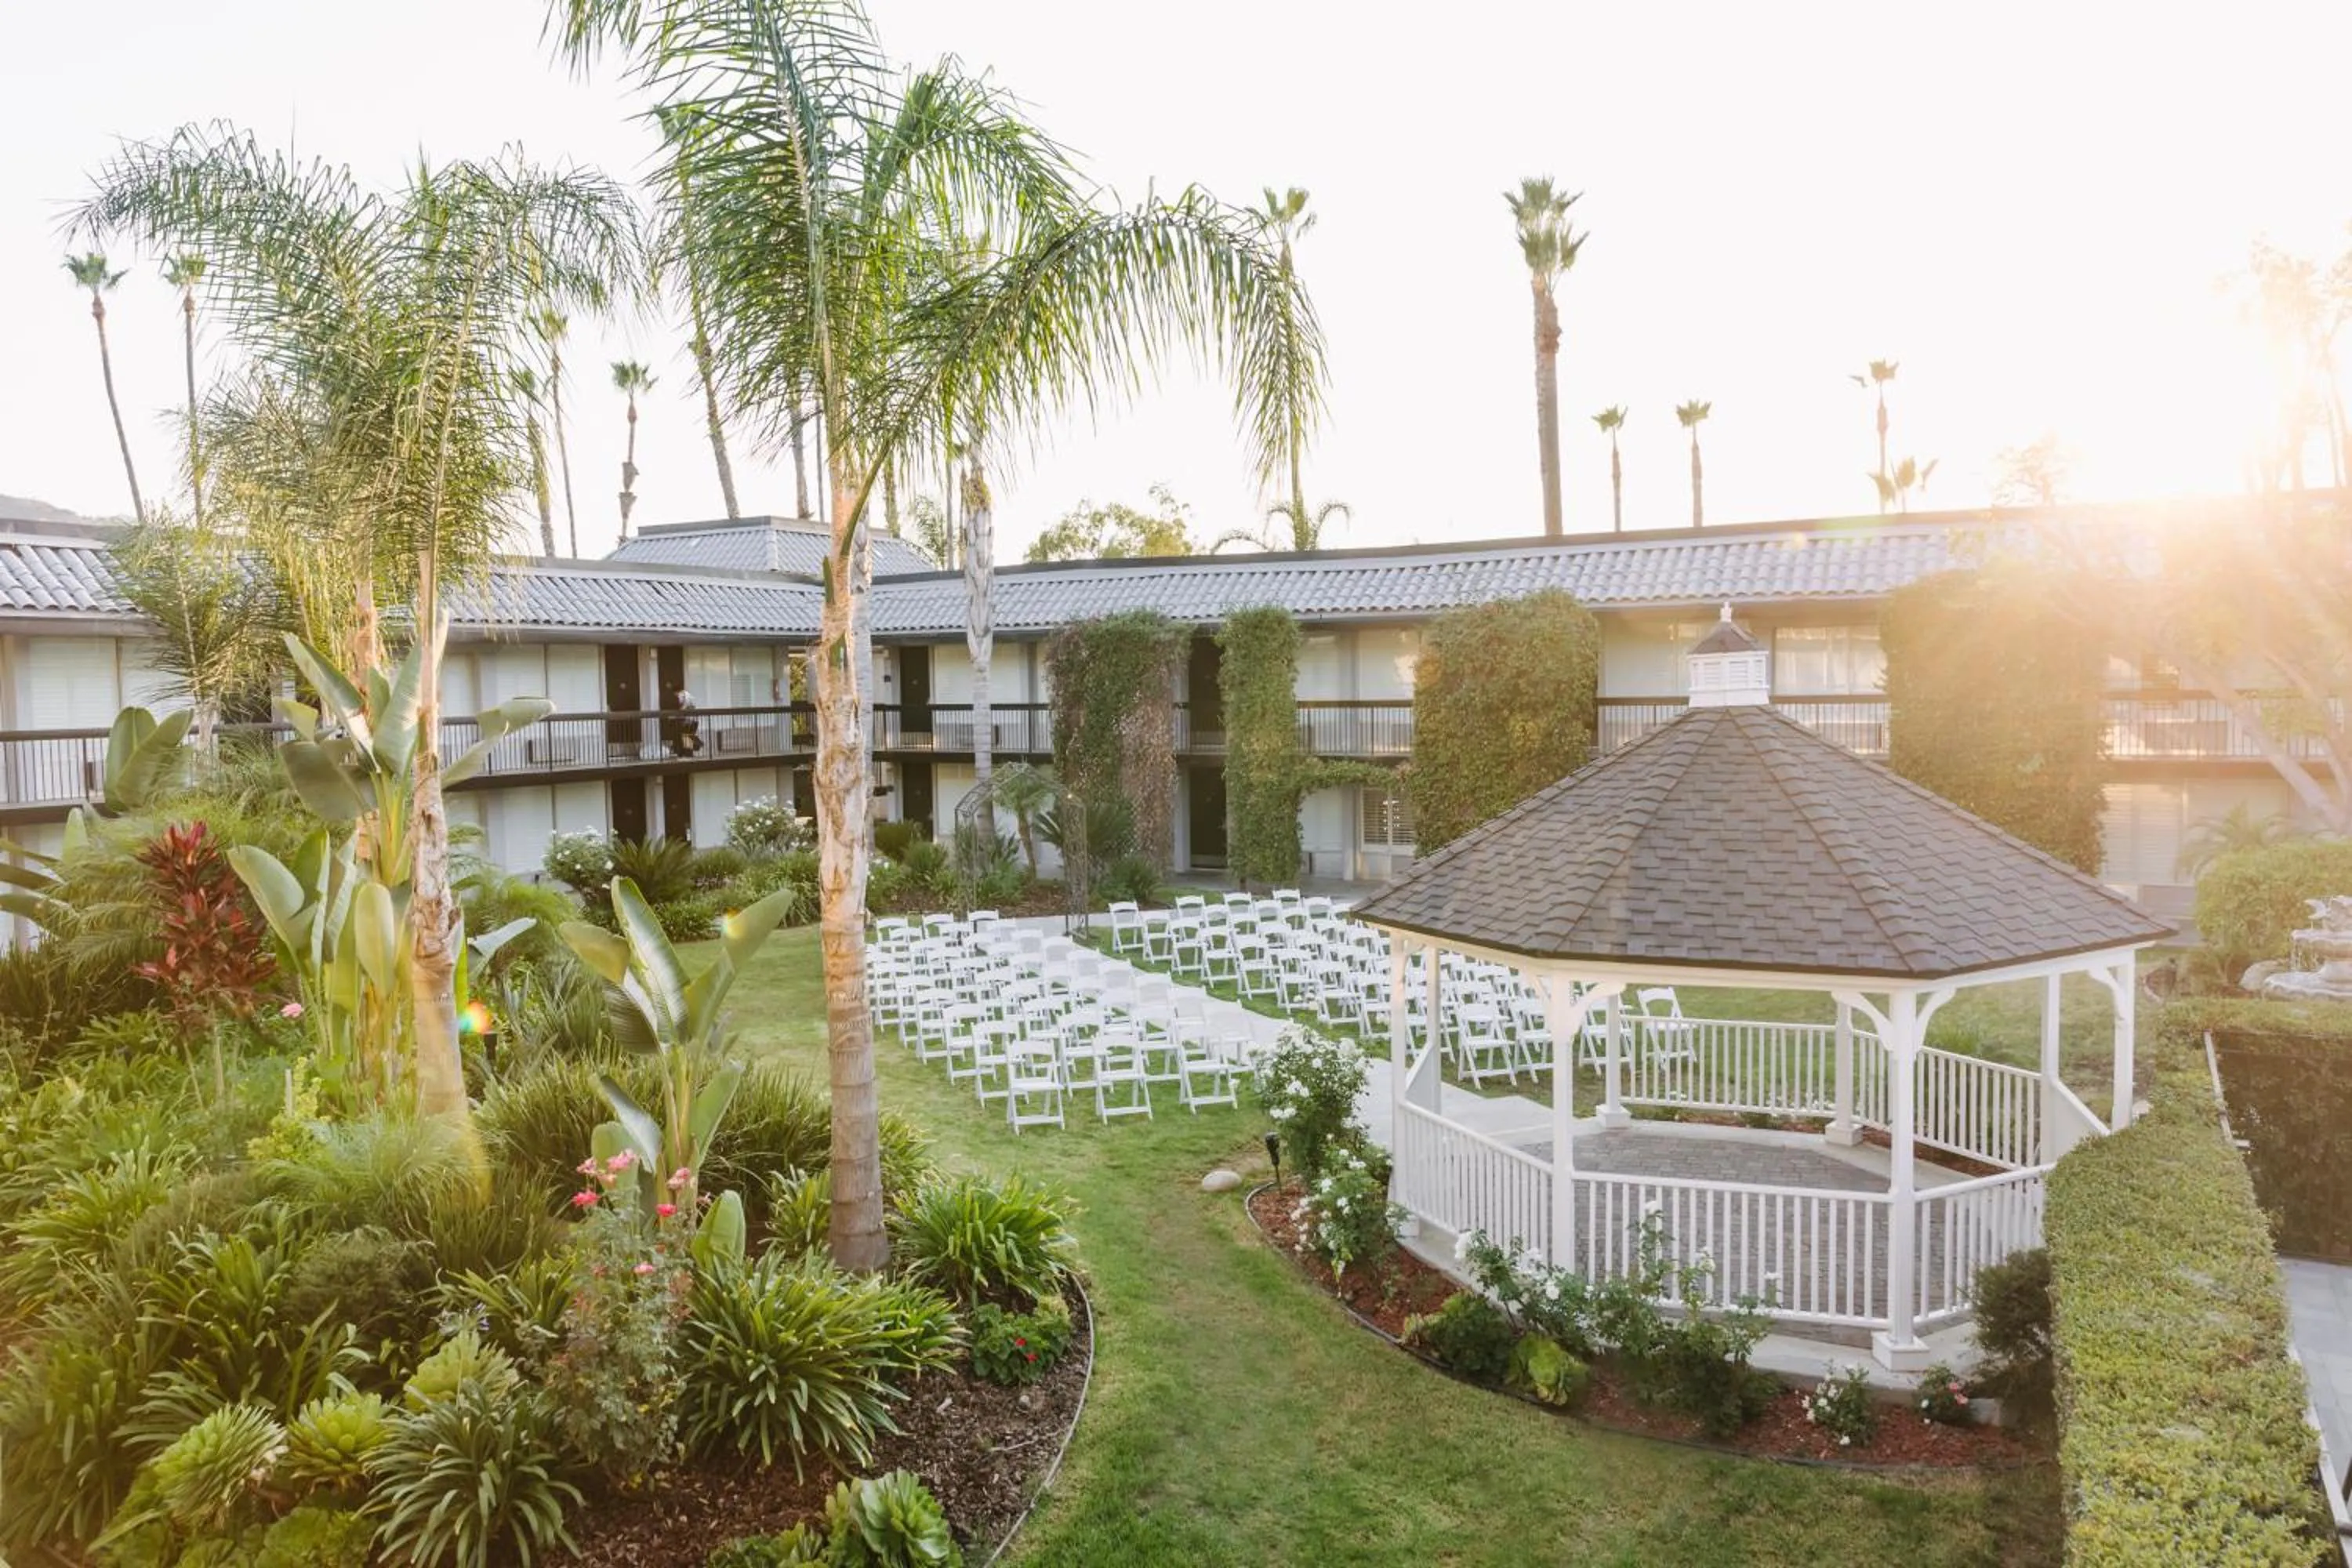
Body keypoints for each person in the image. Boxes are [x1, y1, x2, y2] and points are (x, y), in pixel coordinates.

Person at [671, 688, 704, 758]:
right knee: (688, 736)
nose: (676, 696)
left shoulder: (682, 695)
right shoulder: (689, 696)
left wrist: (677, 715)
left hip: (689, 721)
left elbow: (683, 707)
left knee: (686, 736)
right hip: (694, 720)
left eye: (675, 694)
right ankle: (689, 752)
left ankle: (689, 752)